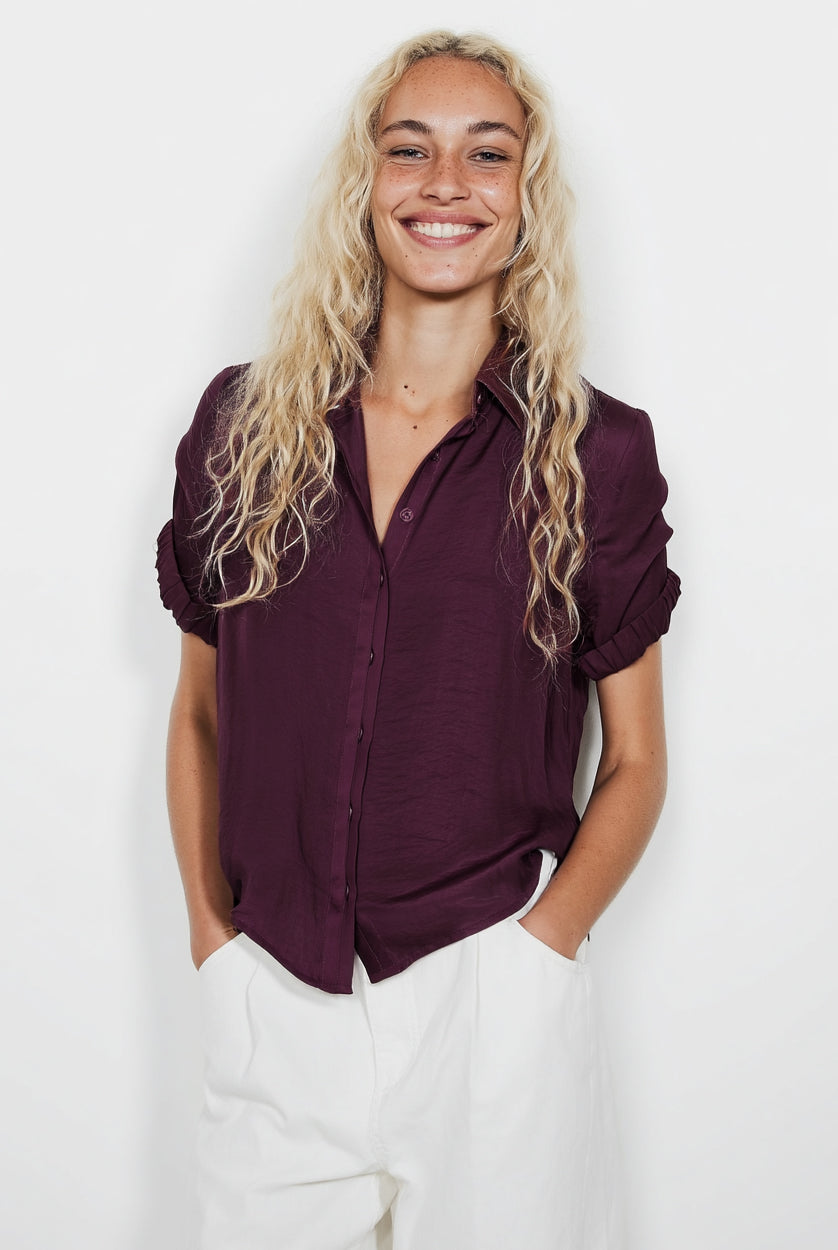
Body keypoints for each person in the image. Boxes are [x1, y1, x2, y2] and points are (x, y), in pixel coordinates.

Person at [156, 29, 680, 1250]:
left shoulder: (596, 453)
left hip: (490, 1006)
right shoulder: (243, 426)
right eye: (412, 148)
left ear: (526, 200)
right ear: (367, 185)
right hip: (272, 1000)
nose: (446, 183)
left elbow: (639, 758)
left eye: (486, 153)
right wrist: (211, 941)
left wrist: (537, 954)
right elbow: (197, 708)